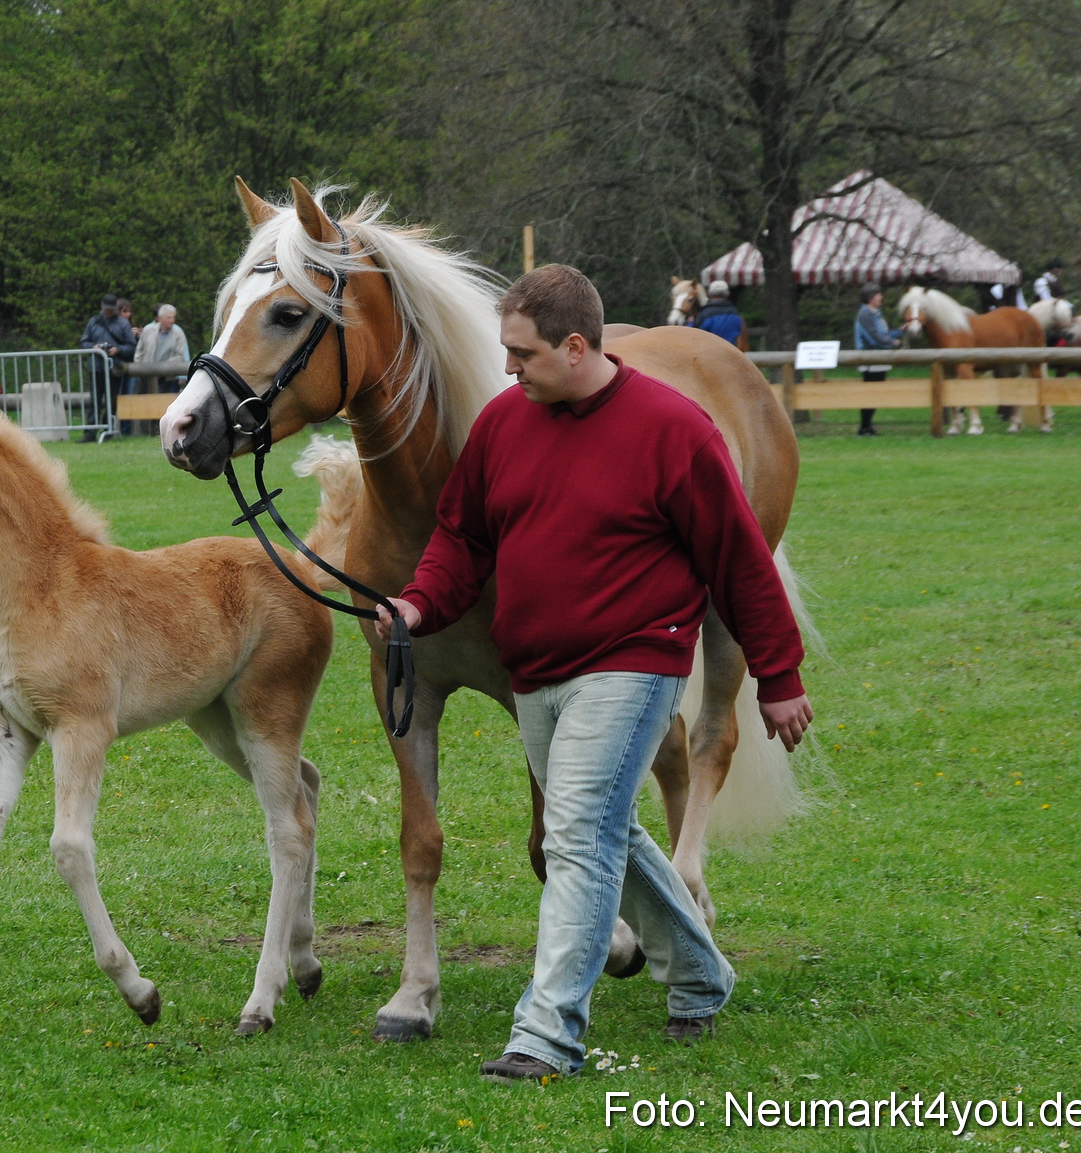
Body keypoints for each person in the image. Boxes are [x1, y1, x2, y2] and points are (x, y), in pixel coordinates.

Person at [374, 264, 810, 1085]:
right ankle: (701, 967)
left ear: (575, 347)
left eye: (522, 353)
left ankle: (546, 1033)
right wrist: (417, 608)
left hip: (634, 664)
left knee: (574, 835)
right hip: (536, 671)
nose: (506, 369)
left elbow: (740, 562)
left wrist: (779, 674)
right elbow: (461, 540)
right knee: (611, 830)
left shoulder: (673, 431)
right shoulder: (504, 426)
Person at [128, 304, 190, 435]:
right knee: (146, 402)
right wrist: (140, 367)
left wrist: (164, 367)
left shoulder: (178, 333)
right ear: (160, 318)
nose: (172, 320)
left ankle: (167, 432)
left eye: (173, 317)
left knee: (167, 405)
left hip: (168, 377)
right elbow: (139, 350)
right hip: (147, 376)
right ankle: (145, 432)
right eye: (169, 317)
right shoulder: (148, 330)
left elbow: (180, 356)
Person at [80, 294, 135, 440]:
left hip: (114, 368)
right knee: (95, 400)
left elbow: (131, 346)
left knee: (112, 400)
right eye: (107, 309)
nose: (109, 312)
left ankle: (108, 429)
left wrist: (118, 350)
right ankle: (90, 432)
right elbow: (84, 341)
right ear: (102, 306)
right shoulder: (94, 322)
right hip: (96, 367)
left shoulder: (123, 324)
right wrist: (93, 347)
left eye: (111, 309)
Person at [853, 283, 903, 437]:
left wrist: (900, 332)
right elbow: (874, 338)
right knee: (870, 393)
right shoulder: (865, 314)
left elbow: (884, 334)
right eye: (878, 295)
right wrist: (891, 343)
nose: (881, 297)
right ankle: (864, 427)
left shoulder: (876, 314)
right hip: (871, 360)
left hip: (878, 360)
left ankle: (868, 426)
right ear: (870, 298)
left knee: (875, 394)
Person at [689, 280, 744, 346]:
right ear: (727, 294)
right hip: (730, 352)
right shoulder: (735, 313)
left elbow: (696, 335)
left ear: (709, 294)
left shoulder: (704, 314)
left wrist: (690, 323)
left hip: (710, 353)